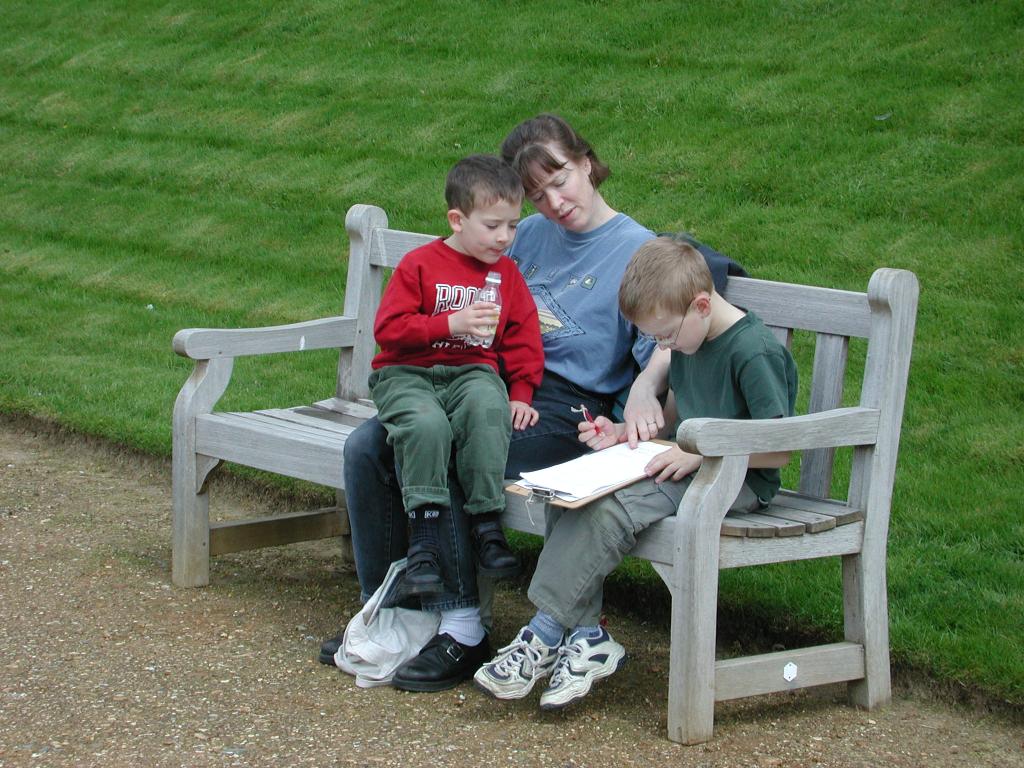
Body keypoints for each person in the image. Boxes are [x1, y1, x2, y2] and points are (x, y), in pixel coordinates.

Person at [324, 114, 667, 692]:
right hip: (484, 385)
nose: (553, 202)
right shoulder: (522, 234)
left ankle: (462, 625)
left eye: (559, 178)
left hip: (566, 406)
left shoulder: (637, 248)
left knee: (462, 448)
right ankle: (396, 616)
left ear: (586, 162)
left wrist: (640, 387)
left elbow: (667, 335)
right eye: (536, 192)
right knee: (368, 448)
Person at [473, 237, 798, 711]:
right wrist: (623, 431)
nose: (662, 349)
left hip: (735, 480)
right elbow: (670, 418)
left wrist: (706, 454)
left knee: (610, 511)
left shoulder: (752, 351)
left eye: (665, 337)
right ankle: (585, 637)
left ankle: (543, 633)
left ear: (702, 305)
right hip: (681, 463)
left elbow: (780, 448)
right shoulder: (690, 339)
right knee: (571, 495)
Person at [368, 154, 544, 599]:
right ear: (457, 219)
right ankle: (424, 534)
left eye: (513, 225)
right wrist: (449, 324)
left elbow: (523, 336)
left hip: (471, 372)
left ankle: (487, 523)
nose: (504, 237)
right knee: (426, 426)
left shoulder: (507, 274)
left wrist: (521, 392)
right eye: (492, 225)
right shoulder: (421, 264)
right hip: (407, 372)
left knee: (489, 411)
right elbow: (388, 331)